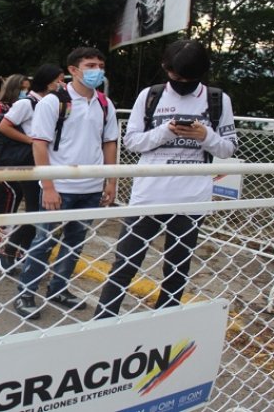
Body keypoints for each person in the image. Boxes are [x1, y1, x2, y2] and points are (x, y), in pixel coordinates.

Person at [95, 39, 238, 319]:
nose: (181, 81)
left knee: (177, 265)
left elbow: (229, 148)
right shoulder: (151, 96)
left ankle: (164, 320)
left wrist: (206, 136)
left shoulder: (217, 99)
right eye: (176, 76)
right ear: (165, 68)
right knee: (125, 260)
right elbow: (132, 142)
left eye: (189, 77)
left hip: (192, 198)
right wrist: (166, 132)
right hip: (148, 195)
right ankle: (104, 317)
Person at [13, 47, 119, 320]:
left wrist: (111, 181)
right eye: (90, 65)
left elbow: (109, 143)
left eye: (100, 65)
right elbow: (40, 145)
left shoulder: (105, 104)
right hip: (59, 188)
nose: (97, 70)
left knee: (75, 243)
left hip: (91, 189)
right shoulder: (53, 102)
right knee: (43, 241)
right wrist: (48, 186)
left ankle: (59, 288)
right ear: (73, 70)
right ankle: (26, 291)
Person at [0, 64, 65, 273]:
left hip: (47, 163)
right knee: (36, 212)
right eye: (58, 80)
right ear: (47, 80)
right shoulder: (27, 103)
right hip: (30, 163)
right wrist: (32, 141)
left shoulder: (54, 103)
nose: (62, 84)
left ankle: (22, 252)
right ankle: (8, 252)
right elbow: (3, 126)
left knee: (42, 213)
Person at [0, 74, 30, 245]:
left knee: (5, 194)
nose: (26, 92)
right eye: (22, 88)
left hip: (10, 156)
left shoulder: (19, 106)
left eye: (28, 88)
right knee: (11, 191)